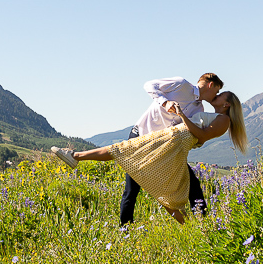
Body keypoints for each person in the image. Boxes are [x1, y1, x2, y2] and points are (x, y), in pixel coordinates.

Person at [53, 89, 248, 224]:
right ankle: (193, 227)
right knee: (151, 177)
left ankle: (76, 156)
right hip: (173, 139)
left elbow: (202, 135)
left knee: (127, 150)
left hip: (174, 141)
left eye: (220, 95)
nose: (217, 95)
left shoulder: (224, 120)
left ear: (227, 104)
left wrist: (182, 115)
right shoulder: (212, 115)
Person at [120, 74, 223, 225]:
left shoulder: (199, 109)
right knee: (131, 189)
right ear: (210, 85)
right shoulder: (181, 85)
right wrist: (165, 102)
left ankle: (203, 225)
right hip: (141, 137)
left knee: (192, 184)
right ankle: (124, 229)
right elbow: (149, 85)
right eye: (217, 91)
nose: (217, 95)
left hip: (163, 147)